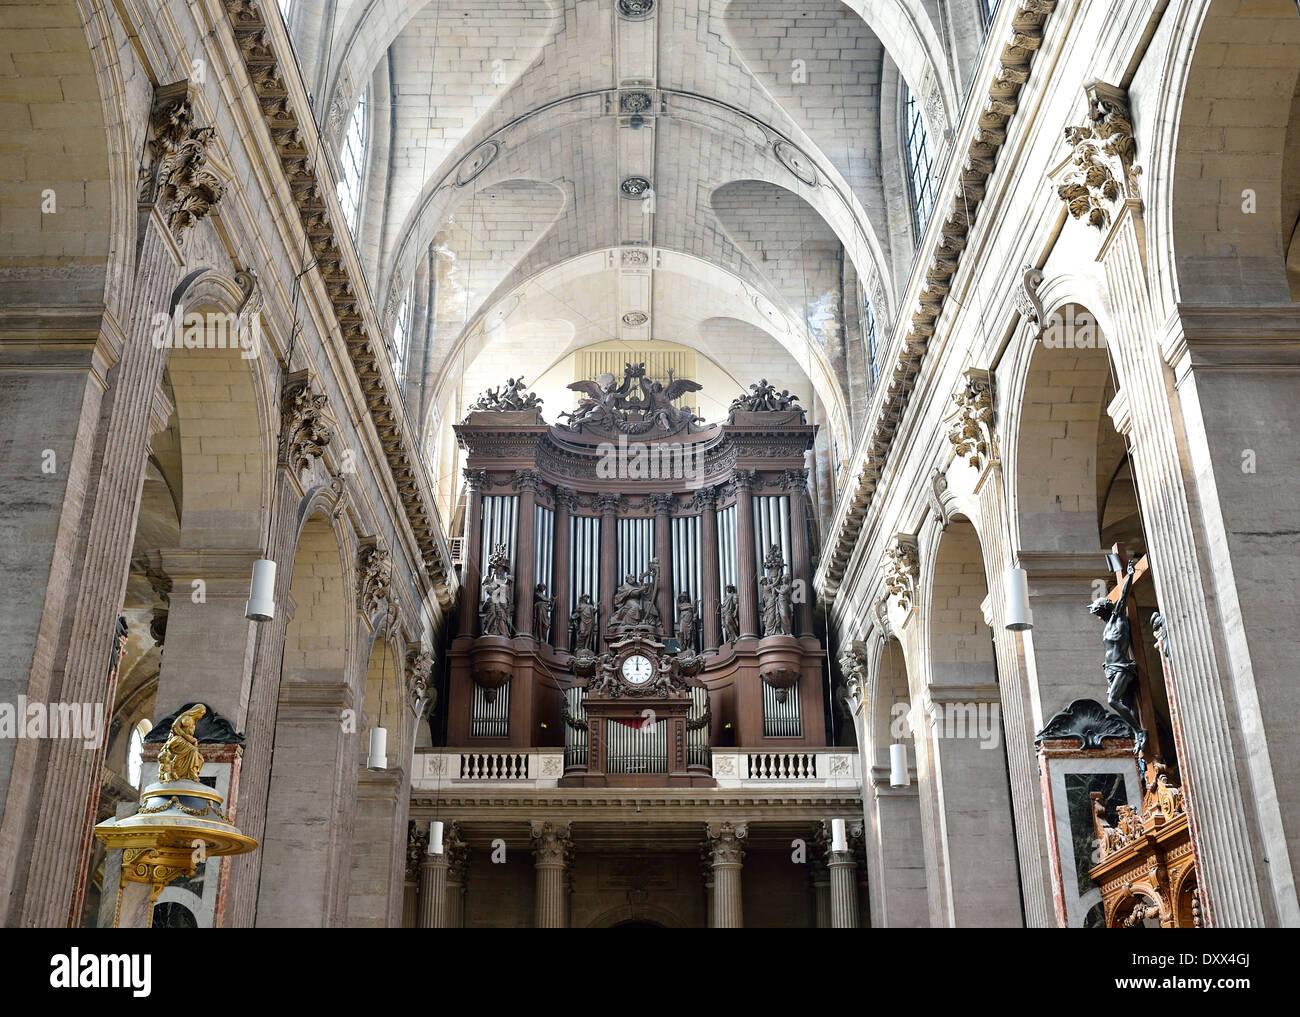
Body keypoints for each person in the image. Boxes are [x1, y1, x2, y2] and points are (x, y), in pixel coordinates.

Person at [1088, 559, 1146, 756]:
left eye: (1096, 609)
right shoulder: (1106, 627)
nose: (1095, 613)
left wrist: (1129, 575)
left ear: (1104, 608)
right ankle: (1136, 734)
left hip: (1122, 667)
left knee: (1113, 700)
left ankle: (1140, 731)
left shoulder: (1118, 618)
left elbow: (1123, 596)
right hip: (1110, 669)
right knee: (1127, 705)